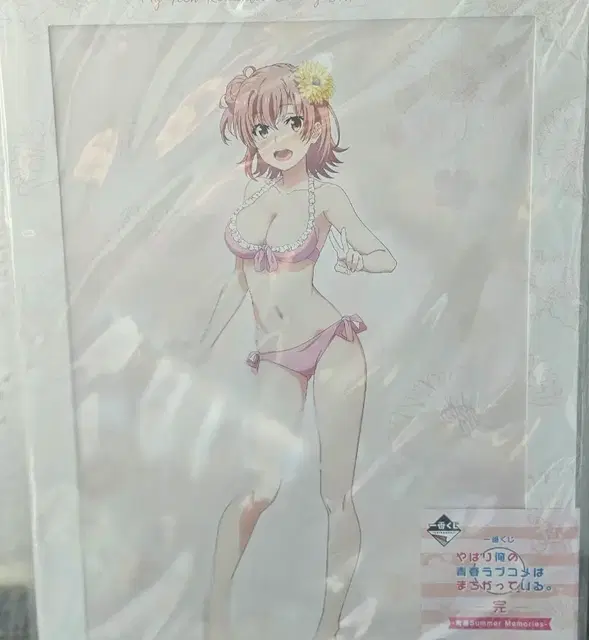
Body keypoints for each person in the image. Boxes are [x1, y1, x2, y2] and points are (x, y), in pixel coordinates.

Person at [205, 60, 396, 639]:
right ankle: (215, 616)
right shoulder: (251, 196)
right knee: (260, 489)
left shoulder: (326, 196)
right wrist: (197, 345)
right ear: (249, 136)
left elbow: (383, 255)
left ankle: (330, 626)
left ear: (314, 122)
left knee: (335, 493)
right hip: (275, 355)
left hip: (331, 343)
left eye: (291, 122)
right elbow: (237, 284)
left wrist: (359, 261)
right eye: (263, 129)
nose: (279, 139)